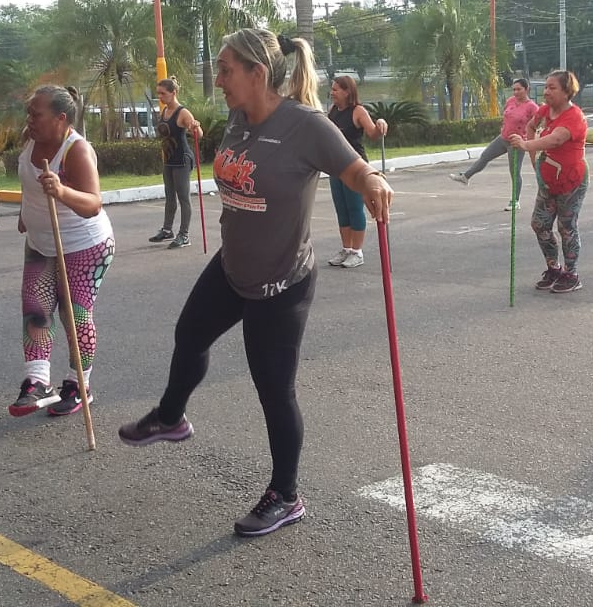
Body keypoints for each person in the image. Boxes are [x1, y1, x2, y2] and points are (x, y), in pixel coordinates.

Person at [117, 28, 393, 538]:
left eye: (225, 70)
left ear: (257, 74)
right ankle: (172, 417)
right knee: (189, 334)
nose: (218, 80)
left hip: (281, 282)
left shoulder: (306, 125)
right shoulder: (238, 119)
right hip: (231, 265)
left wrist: (373, 181)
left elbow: (352, 170)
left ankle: (286, 495)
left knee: (273, 391)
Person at [8, 85, 115, 418]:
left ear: (61, 118)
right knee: (35, 308)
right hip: (42, 242)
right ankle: (37, 383)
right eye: (29, 112)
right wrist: (26, 213)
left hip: (85, 245)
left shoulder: (76, 150)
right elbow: (28, 181)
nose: (30, 119)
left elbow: (93, 204)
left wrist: (62, 190)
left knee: (74, 314)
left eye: (36, 114)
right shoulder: (31, 137)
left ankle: (78, 385)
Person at [508, 70, 588, 294]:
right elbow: (532, 127)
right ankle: (554, 268)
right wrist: (535, 161)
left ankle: (571, 274)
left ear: (566, 92)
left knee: (566, 227)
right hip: (548, 182)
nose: (546, 92)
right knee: (539, 224)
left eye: (552, 88)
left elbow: (556, 140)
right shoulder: (544, 111)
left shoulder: (574, 117)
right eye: (545, 87)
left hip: (571, 181)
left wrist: (526, 146)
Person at [324, 75, 387, 269]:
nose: (332, 93)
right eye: (332, 89)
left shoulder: (358, 111)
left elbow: (373, 134)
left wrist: (380, 125)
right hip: (336, 166)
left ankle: (357, 252)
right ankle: (346, 248)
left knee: (353, 208)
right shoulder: (333, 110)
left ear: (347, 92)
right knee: (341, 209)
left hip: (356, 167)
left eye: (336, 90)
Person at [448, 78, 539, 211]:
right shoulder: (510, 101)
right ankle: (466, 177)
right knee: (485, 156)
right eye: (514, 89)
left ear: (526, 89)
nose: (516, 92)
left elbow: (537, 123)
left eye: (519, 89)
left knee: (514, 172)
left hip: (516, 143)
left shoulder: (532, 107)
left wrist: (525, 139)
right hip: (503, 138)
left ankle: (515, 201)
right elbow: (506, 116)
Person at [147, 78, 203, 249]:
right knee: (170, 197)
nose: (160, 97)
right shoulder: (164, 112)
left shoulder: (183, 113)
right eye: (158, 93)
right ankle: (167, 230)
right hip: (169, 161)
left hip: (182, 160)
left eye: (163, 93)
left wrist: (194, 127)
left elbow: (198, 134)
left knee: (183, 198)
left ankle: (184, 235)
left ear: (173, 93)